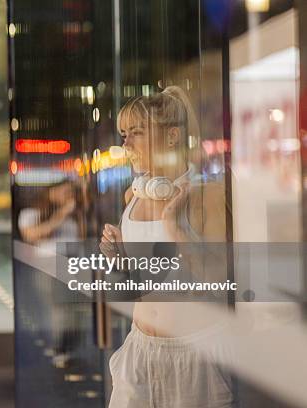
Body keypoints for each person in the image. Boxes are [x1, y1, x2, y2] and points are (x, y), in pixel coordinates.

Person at [99, 86, 232, 407]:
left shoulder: (206, 195)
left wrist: (175, 228)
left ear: (172, 137)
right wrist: (119, 260)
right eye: (123, 134)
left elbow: (217, 280)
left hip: (195, 352)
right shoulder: (133, 196)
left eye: (136, 133)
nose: (125, 144)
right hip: (140, 349)